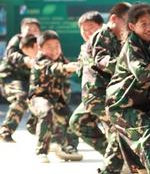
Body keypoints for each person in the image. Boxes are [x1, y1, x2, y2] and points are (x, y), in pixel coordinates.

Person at [106, 4, 150, 174]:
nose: (149, 27)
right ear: (132, 26)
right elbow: (141, 72)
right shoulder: (131, 45)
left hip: (145, 102)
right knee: (148, 131)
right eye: (143, 24)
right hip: (122, 104)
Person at [90, 3, 141, 174]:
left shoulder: (118, 37)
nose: (129, 25)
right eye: (126, 21)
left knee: (117, 128)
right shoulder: (103, 35)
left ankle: (113, 169)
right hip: (98, 95)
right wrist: (125, 64)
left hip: (109, 94)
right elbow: (100, 60)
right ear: (114, 19)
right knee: (117, 127)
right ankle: (109, 172)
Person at [27, 31, 79, 163]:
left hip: (57, 100)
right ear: (40, 48)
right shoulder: (40, 61)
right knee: (46, 111)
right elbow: (54, 68)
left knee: (73, 119)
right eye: (49, 47)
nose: (54, 50)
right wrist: (67, 67)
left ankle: (69, 148)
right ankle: (41, 151)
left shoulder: (61, 58)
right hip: (38, 99)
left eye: (57, 46)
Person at [68, 11, 106, 159]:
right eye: (83, 29)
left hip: (108, 94)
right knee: (77, 121)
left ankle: (122, 161)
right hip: (91, 96)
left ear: (101, 26)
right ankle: (113, 157)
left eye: (91, 27)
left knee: (114, 127)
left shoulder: (108, 43)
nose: (87, 32)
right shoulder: (84, 47)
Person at [0, 18, 41, 143]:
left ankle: (34, 126)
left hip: (30, 80)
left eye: (34, 29)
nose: (31, 32)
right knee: (22, 97)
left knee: (44, 97)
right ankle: (5, 131)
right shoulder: (17, 40)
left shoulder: (41, 43)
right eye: (28, 29)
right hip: (10, 77)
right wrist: (25, 60)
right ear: (22, 30)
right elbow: (11, 54)